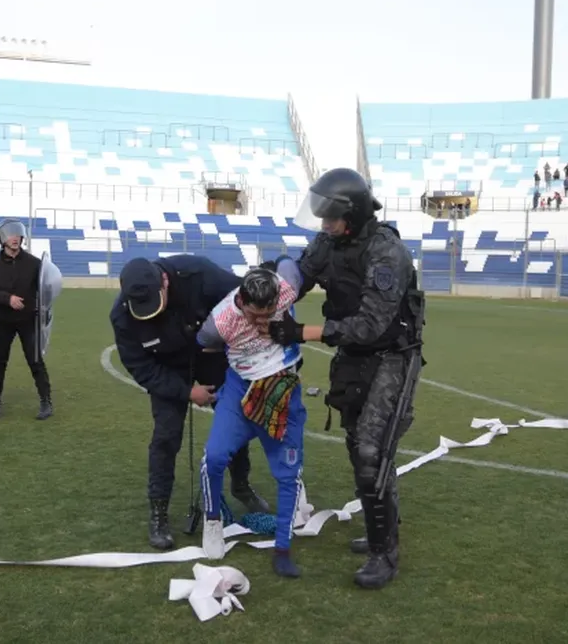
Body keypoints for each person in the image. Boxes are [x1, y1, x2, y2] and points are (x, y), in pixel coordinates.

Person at [268, 167, 426, 590]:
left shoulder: (386, 251)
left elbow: (371, 325)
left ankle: (384, 552)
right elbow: (301, 276)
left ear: (352, 215)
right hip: (352, 357)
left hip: (392, 356)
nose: (324, 224)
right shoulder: (329, 243)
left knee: (373, 451)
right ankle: (382, 527)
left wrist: (301, 332)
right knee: (359, 448)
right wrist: (268, 285)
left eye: (331, 216)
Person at [111, 255, 270, 550]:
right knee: (166, 437)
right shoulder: (122, 317)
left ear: (165, 281)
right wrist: (186, 392)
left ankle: (241, 485)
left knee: (234, 422)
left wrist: (231, 339)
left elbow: (243, 299)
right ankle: (158, 512)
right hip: (166, 369)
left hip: (211, 356)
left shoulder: (199, 273)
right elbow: (142, 369)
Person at [198, 261, 307, 578]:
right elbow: (204, 343)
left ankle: (283, 547)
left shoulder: (286, 287)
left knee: (288, 473)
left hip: (282, 389)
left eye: (268, 314)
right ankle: (213, 521)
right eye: (254, 315)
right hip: (240, 390)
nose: (262, 322)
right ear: (241, 301)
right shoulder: (220, 322)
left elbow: (288, 263)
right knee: (214, 457)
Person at [0, 219, 53, 420]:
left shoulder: (34, 263)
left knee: (35, 360)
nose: (15, 238)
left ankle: (46, 401)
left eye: (18, 234)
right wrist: (7, 299)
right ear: (3, 238)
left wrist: (43, 308)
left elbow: (46, 287)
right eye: (11, 234)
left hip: (28, 320)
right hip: (2, 321)